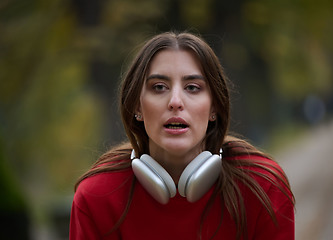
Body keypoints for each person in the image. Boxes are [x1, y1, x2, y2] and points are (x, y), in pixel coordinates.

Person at [69, 32, 295, 240]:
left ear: (214, 107)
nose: (175, 101)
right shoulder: (96, 197)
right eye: (158, 87)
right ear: (137, 106)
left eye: (193, 87)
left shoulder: (263, 187)